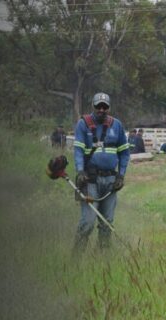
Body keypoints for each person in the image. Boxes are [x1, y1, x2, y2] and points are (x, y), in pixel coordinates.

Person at [72, 92, 129, 252]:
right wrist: (80, 170)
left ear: (109, 108)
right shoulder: (83, 124)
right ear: (93, 106)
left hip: (111, 181)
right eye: (98, 107)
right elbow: (78, 151)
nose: (101, 110)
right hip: (90, 181)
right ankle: (76, 259)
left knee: (107, 222)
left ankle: (103, 259)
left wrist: (121, 175)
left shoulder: (117, 125)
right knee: (88, 222)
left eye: (105, 107)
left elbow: (124, 153)